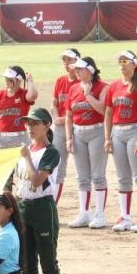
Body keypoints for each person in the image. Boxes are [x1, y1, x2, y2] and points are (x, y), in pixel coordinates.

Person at [12, 108, 64, 274]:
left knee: (48, 260)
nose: (30, 128)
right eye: (28, 124)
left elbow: (36, 181)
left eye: (34, 124)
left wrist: (27, 158)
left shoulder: (50, 152)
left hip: (43, 208)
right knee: (27, 260)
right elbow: (17, 181)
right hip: (24, 207)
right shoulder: (26, 150)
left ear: (46, 125)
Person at [104, 50, 137, 232]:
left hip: (135, 131)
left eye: (125, 61)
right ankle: (125, 216)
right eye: (120, 61)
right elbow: (108, 113)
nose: (122, 64)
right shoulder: (114, 86)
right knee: (123, 178)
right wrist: (107, 138)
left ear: (134, 64)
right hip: (117, 133)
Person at [65, 57, 109, 229]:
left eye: (79, 69)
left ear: (90, 70)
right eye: (75, 69)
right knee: (82, 177)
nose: (76, 72)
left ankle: (99, 214)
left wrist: (88, 94)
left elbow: (103, 109)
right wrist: (69, 138)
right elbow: (69, 114)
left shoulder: (103, 87)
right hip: (78, 133)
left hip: (97, 132)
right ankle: (84, 213)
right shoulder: (73, 88)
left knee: (98, 175)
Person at [51, 48, 82, 203]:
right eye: (64, 59)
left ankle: (85, 208)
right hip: (60, 128)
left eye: (69, 59)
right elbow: (55, 104)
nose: (66, 63)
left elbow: (83, 107)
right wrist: (56, 117)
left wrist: (66, 118)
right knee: (57, 167)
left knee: (82, 169)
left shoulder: (83, 81)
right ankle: (53, 205)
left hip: (77, 127)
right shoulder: (60, 80)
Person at [0, 66, 38, 149]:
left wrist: (29, 80)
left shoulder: (24, 94)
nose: (6, 80)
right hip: (2, 138)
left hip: (20, 137)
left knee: (23, 161)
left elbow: (33, 96)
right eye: (6, 78)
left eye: (9, 78)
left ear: (18, 80)